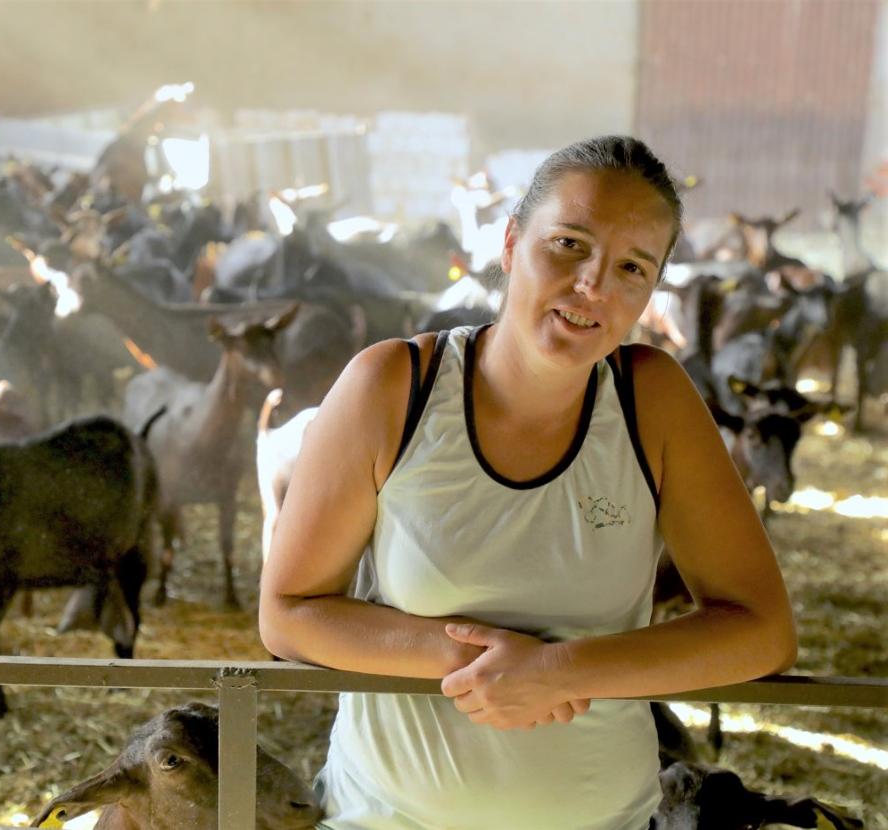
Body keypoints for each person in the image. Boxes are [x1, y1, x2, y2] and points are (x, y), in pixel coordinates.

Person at [257, 136, 797, 830]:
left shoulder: (652, 402)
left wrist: (560, 672)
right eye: (569, 245)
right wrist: (477, 662)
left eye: (632, 267)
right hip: (386, 819)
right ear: (511, 243)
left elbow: (761, 631)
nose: (593, 286)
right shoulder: (394, 388)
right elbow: (289, 612)